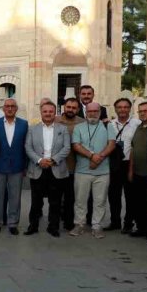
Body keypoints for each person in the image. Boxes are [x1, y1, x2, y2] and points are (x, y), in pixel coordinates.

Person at [70, 101, 116, 239]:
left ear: (100, 112)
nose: (92, 113)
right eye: (90, 111)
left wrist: (98, 158)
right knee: (80, 200)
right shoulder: (78, 127)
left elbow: (112, 144)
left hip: (102, 172)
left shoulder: (108, 126)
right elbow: (76, 145)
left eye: (95, 111)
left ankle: (97, 226)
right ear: (85, 112)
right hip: (82, 171)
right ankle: (79, 224)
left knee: (100, 201)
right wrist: (91, 156)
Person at [25, 101, 70, 237]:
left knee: (55, 201)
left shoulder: (63, 129)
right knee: (36, 202)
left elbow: (67, 148)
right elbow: (28, 147)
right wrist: (39, 160)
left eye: (51, 111)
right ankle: (33, 226)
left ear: (54, 112)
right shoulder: (33, 129)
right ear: (41, 112)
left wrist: (53, 160)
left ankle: (53, 227)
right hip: (38, 168)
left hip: (56, 168)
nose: (48, 114)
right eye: (45, 111)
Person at [0, 98, 28, 235]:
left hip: (17, 166)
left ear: (16, 108)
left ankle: (13, 223)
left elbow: (26, 146)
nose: (10, 108)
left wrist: (25, 166)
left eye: (13, 106)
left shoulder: (24, 124)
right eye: (7, 106)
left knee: (15, 196)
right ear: (3, 108)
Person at [107, 98, 139, 233]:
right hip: (114, 163)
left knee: (130, 195)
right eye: (119, 107)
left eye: (126, 107)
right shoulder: (110, 124)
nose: (123, 110)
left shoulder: (137, 124)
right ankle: (115, 221)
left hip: (129, 163)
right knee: (113, 194)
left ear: (130, 108)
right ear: (115, 109)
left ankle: (128, 223)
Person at [127, 102, 147, 239]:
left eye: (146, 110)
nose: (143, 113)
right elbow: (133, 149)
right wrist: (130, 170)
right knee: (139, 202)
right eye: (140, 111)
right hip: (138, 172)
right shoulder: (139, 127)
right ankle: (141, 227)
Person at [56, 97, 82, 231]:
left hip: (73, 166)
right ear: (64, 107)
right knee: (55, 197)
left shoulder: (82, 123)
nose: (70, 110)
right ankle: (54, 221)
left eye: (73, 108)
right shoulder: (55, 121)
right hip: (56, 166)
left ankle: (68, 221)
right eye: (68, 107)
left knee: (70, 197)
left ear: (78, 109)